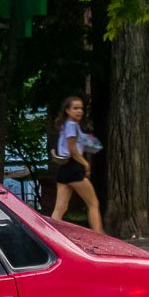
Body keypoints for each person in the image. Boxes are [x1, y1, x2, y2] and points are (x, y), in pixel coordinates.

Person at [49, 96, 104, 234]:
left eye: (81, 108)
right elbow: (72, 148)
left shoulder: (66, 125)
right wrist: (85, 163)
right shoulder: (72, 126)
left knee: (60, 207)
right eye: (75, 108)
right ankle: (100, 237)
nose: (79, 111)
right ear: (67, 110)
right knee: (93, 204)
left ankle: (50, 236)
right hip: (74, 167)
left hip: (63, 168)